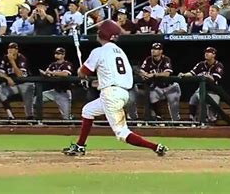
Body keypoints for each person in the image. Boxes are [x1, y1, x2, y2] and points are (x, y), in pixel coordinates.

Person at [62, 20, 168, 156]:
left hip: (111, 94)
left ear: (101, 34)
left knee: (122, 133)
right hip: (122, 93)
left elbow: (83, 72)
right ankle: (80, 146)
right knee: (88, 110)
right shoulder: (120, 52)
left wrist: (80, 72)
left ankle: (155, 147)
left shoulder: (99, 51)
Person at [0, 42, 35, 120]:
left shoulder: (22, 58)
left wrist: (12, 62)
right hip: (14, 84)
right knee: (2, 92)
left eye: (12, 48)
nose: (10, 50)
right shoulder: (4, 58)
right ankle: (11, 116)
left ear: (17, 50)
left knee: (28, 107)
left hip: (26, 84)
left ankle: (30, 120)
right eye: (9, 48)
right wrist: (8, 78)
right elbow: (0, 72)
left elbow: (20, 75)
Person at [179, 47, 224, 123]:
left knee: (211, 117)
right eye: (206, 52)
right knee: (192, 100)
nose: (206, 53)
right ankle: (192, 119)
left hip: (213, 91)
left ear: (214, 55)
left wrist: (204, 76)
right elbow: (192, 73)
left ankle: (212, 123)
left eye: (209, 52)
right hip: (202, 89)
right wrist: (184, 74)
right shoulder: (201, 64)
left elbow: (215, 78)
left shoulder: (218, 65)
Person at [139, 43, 181, 121]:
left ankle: (177, 122)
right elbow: (141, 71)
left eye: (156, 49)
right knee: (152, 96)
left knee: (174, 107)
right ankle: (159, 117)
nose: (153, 51)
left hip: (170, 87)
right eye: (152, 49)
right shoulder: (148, 59)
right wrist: (143, 74)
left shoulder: (166, 59)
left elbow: (167, 74)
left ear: (161, 51)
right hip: (158, 87)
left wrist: (154, 75)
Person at [40, 47, 74, 120]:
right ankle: (38, 120)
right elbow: (47, 73)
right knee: (36, 100)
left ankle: (70, 124)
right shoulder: (52, 64)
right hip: (54, 91)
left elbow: (65, 74)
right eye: (56, 53)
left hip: (64, 92)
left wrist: (52, 73)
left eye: (59, 53)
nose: (57, 55)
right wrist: (45, 74)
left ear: (63, 55)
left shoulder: (67, 64)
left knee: (66, 117)